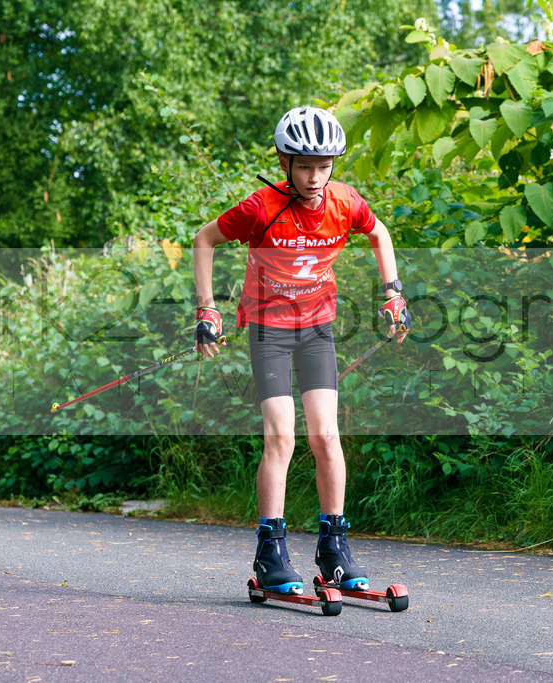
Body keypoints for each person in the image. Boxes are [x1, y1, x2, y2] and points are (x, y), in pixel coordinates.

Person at [192, 106, 411, 595]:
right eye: (305, 165)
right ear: (284, 162)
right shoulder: (260, 208)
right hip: (269, 329)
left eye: (325, 165)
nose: (316, 177)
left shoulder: (344, 202)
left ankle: (334, 549)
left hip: (317, 328)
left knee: (327, 437)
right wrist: (207, 309)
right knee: (281, 438)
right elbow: (203, 240)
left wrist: (393, 292)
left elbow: (380, 234)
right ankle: (271, 551)